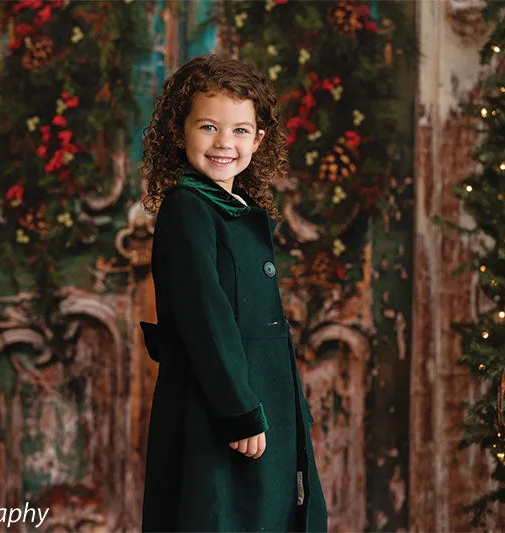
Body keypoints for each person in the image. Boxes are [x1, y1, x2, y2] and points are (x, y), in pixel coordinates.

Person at [139, 54, 327, 533]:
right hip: (220, 410)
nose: (225, 143)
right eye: (208, 126)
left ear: (259, 140)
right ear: (178, 132)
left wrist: (290, 412)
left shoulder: (235, 209)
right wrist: (238, 411)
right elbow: (207, 317)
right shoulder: (188, 209)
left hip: (262, 404)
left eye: (241, 130)